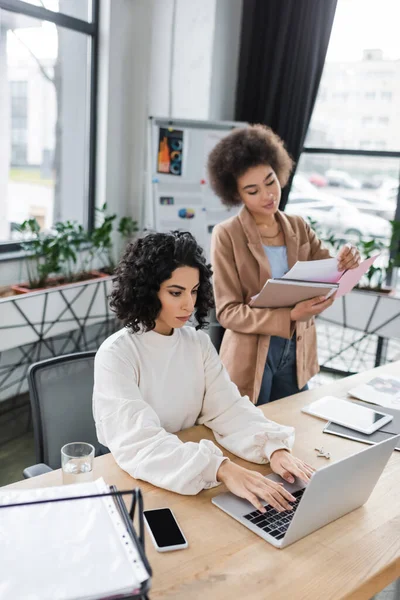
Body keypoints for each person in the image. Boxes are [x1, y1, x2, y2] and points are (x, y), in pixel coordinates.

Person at [92, 231, 314, 514]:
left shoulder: (196, 343)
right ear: (147, 290)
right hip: (137, 480)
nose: (189, 304)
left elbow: (228, 408)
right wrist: (222, 468)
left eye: (194, 291)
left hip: (188, 470)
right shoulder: (117, 354)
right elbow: (139, 442)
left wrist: (274, 448)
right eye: (176, 292)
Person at [208, 125, 361, 405]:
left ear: (279, 172)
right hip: (250, 352)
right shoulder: (227, 234)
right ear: (237, 195)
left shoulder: (299, 226)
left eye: (270, 182)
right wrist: (289, 315)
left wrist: (348, 259)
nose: (267, 195)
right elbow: (228, 313)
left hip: (296, 349)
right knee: (253, 433)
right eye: (252, 190)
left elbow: (332, 273)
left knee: (294, 428)